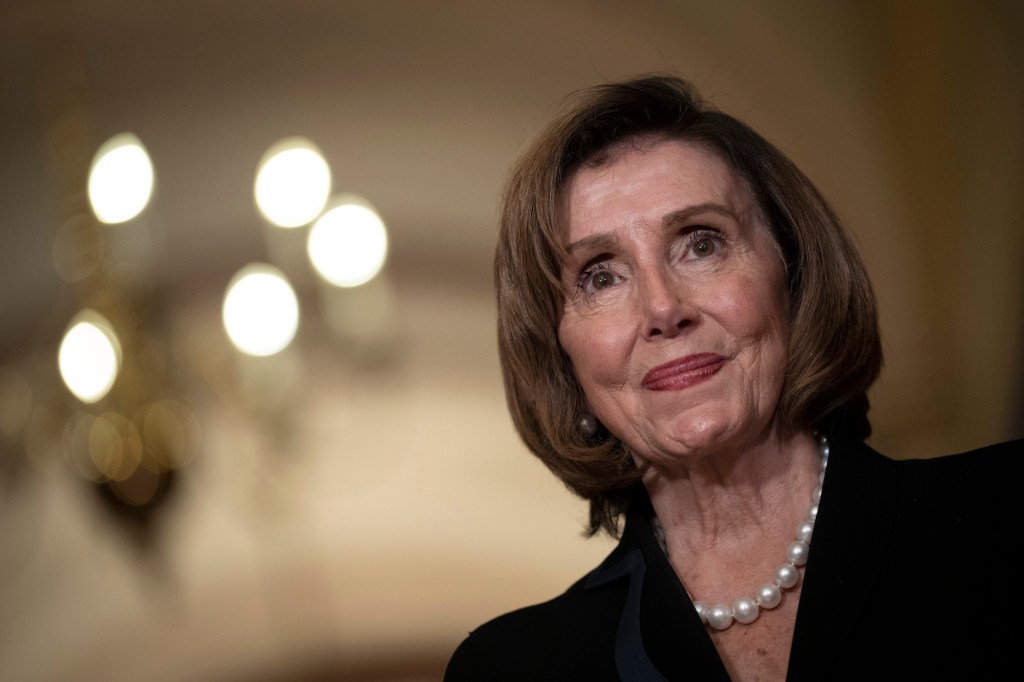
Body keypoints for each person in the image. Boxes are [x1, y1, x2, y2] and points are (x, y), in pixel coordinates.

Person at [443, 74, 1021, 681]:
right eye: (600, 276)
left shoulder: (1004, 514)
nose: (664, 309)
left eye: (701, 244)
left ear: (793, 276)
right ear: (564, 359)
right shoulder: (516, 668)